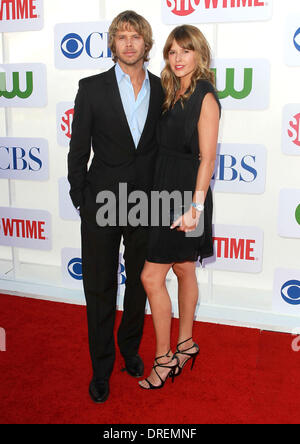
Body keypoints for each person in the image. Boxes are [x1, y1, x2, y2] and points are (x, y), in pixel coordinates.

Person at [67, 10, 164, 403]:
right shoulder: (91, 88)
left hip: (146, 201)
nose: (128, 43)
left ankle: (129, 350)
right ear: (112, 44)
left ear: (146, 44)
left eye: (135, 36)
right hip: (101, 201)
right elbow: (78, 149)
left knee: (141, 285)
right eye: (121, 36)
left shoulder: (162, 88)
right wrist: (81, 199)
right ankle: (101, 367)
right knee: (100, 287)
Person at [139, 25, 221, 390]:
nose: (177, 58)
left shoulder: (204, 96)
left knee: (150, 277)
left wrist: (195, 208)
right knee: (185, 269)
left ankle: (163, 358)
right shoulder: (172, 89)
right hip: (162, 188)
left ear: (199, 54)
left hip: (186, 197)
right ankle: (186, 343)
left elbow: (208, 158)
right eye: (172, 52)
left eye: (185, 51)